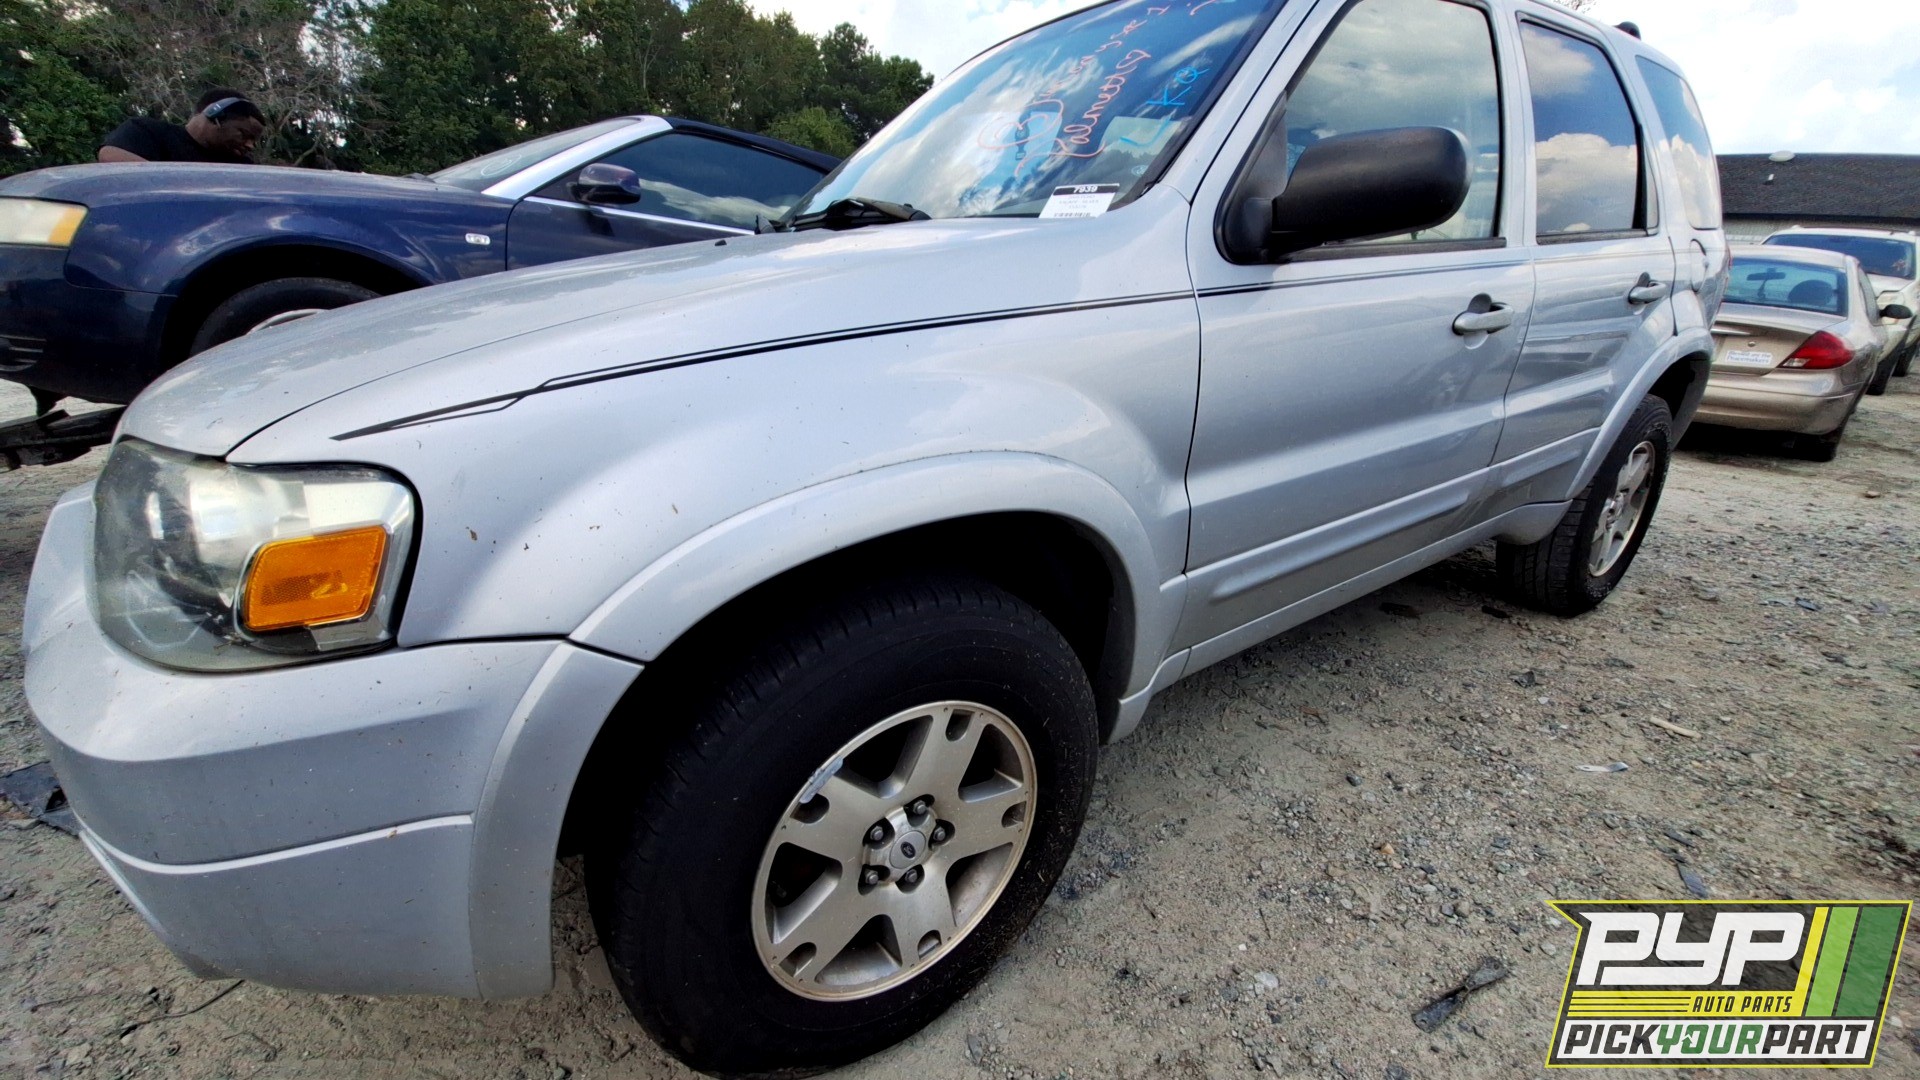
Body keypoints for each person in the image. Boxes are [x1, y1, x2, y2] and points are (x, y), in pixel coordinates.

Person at [98, 89, 265, 164]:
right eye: (244, 134)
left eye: (254, 141)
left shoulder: (240, 165)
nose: (250, 145)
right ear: (214, 113)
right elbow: (110, 155)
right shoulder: (149, 131)